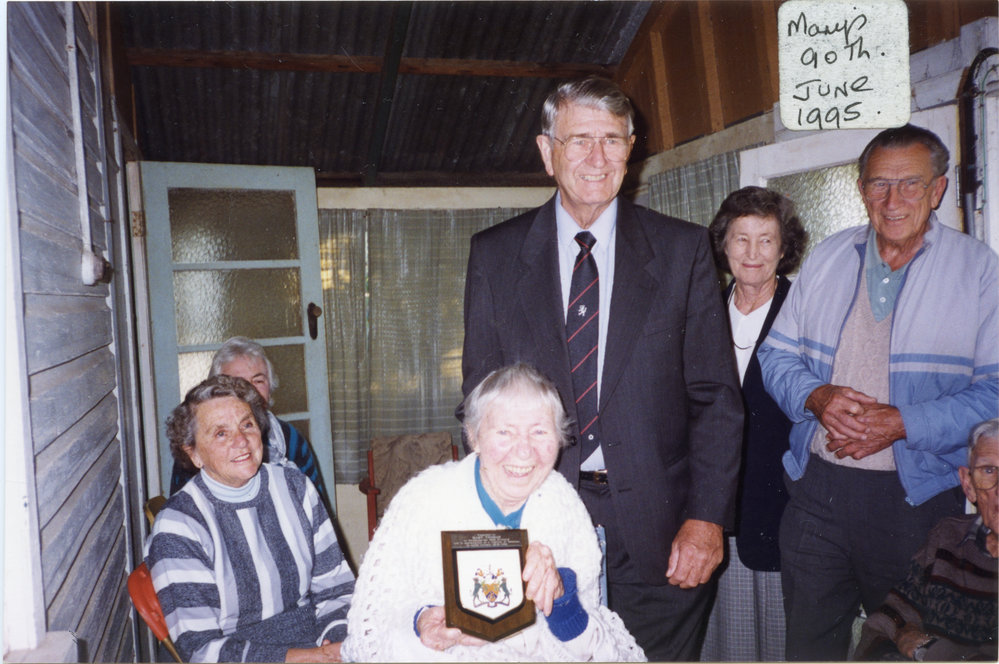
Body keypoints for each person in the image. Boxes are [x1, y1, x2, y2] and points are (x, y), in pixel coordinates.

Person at [460, 76, 743, 661]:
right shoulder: (495, 255)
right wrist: (488, 530)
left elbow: (716, 397)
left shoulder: (682, 250)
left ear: (631, 148)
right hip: (539, 529)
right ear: (547, 152)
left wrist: (707, 520)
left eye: (612, 140)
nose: (596, 157)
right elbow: (477, 405)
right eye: (579, 139)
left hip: (664, 534)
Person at [758, 124, 999, 661]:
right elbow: (774, 355)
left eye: (910, 184)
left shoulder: (979, 271)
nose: (892, 200)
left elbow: (997, 393)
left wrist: (902, 422)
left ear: (937, 189)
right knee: (807, 648)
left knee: (898, 650)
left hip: (916, 504)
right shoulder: (826, 257)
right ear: (860, 187)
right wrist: (815, 396)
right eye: (878, 184)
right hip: (817, 496)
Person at [341, 363, 645, 662]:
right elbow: (372, 630)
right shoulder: (422, 500)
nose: (524, 451)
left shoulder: (565, 507)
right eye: (505, 432)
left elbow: (593, 651)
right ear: (474, 437)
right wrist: (419, 621)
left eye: (539, 432)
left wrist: (562, 599)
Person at [145, 375, 355, 662]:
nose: (241, 441)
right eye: (220, 433)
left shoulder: (296, 487)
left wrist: (338, 642)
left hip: (317, 638)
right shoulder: (179, 525)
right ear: (193, 453)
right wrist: (307, 657)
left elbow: (337, 588)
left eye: (247, 425)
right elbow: (200, 647)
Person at [701, 187, 807, 662]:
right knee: (730, 643)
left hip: (785, 510)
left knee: (785, 642)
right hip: (717, 514)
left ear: (784, 249)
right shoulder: (701, 312)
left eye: (766, 240)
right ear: (723, 245)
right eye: (741, 239)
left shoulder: (804, 314)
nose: (752, 253)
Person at [855, 418, 998, 662]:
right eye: (988, 471)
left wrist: (928, 650)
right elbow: (883, 623)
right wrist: (898, 640)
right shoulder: (948, 538)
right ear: (968, 484)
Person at [169, 336, 329, 507]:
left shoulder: (291, 439)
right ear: (216, 390)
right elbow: (183, 506)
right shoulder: (198, 443)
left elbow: (318, 507)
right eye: (237, 383)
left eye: (258, 380)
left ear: (271, 386)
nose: (250, 390)